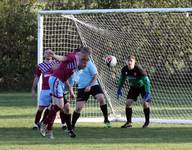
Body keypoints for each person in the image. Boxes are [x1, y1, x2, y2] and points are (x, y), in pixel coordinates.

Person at [40, 47, 91, 139]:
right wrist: (53, 55)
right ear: (80, 53)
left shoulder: (78, 61)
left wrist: (70, 89)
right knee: (60, 105)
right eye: (84, 57)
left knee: (56, 106)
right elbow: (62, 58)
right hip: (56, 80)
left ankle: (48, 129)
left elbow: (67, 71)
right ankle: (44, 123)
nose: (85, 60)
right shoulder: (72, 57)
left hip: (59, 82)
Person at [71, 59, 112, 130]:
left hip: (93, 85)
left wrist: (89, 85)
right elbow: (73, 77)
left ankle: (106, 119)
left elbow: (96, 75)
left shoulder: (89, 63)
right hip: (82, 87)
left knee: (101, 99)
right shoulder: (74, 64)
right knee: (78, 108)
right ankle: (72, 125)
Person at [116, 55, 152, 128]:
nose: (129, 62)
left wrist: (148, 92)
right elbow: (122, 79)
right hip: (133, 87)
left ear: (134, 62)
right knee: (128, 103)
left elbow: (146, 80)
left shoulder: (138, 68)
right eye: (128, 61)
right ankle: (129, 123)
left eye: (131, 61)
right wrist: (119, 89)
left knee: (145, 103)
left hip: (143, 87)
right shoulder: (124, 69)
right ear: (126, 62)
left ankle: (147, 123)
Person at [31, 49, 59, 130]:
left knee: (51, 107)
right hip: (45, 89)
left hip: (54, 89)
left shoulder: (56, 63)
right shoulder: (40, 66)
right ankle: (36, 123)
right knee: (41, 108)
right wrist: (33, 89)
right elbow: (37, 77)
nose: (48, 54)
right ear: (44, 55)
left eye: (50, 52)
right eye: (46, 52)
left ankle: (43, 122)